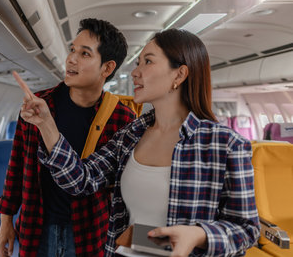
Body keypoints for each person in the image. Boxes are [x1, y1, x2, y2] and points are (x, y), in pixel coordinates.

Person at [15, 29, 260, 257]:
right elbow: (81, 180)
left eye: (148, 61)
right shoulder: (131, 134)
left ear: (179, 74)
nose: (135, 72)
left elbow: (247, 229)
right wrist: (46, 124)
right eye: (138, 62)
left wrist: (199, 234)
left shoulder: (225, 145)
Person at [0, 18, 136, 257]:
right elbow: (16, 165)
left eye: (84, 54)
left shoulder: (122, 119)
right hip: (36, 226)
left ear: (107, 68)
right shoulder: (40, 103)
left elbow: (122, 188)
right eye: (72, 50)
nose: (71, 59)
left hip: (89, 231)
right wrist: (5, 221)